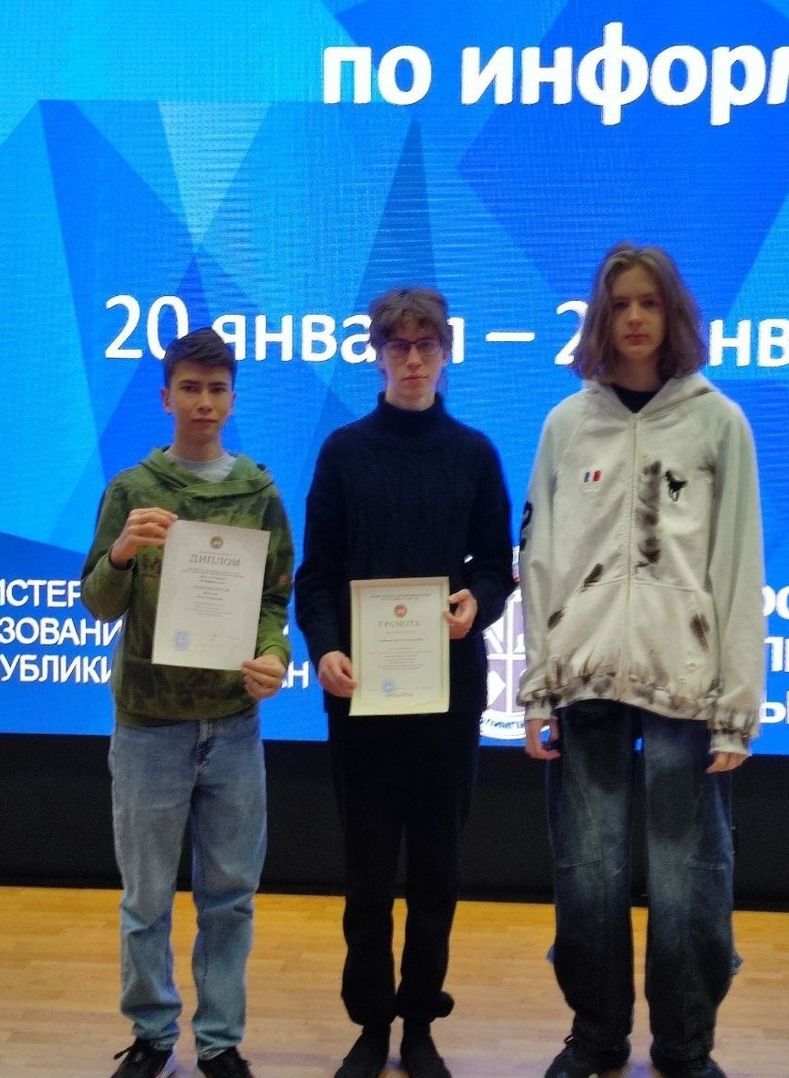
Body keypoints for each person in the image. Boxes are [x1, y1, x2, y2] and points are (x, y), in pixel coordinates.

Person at [519, 243, 765, 1078]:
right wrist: (536, 692)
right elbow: (538, 561)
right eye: (619, 303)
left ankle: (684, 1046)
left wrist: (736, 707)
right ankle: (595, 1039)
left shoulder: (717, 422)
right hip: (583, 685)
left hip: (684, 691)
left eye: (648, 303)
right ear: (599, 315)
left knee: (687, 882)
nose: (632, 317)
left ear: (672, 314)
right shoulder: (566, 424)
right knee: (586, 878)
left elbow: (738, 566)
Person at [294, 287, 514, 1078]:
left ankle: (419, 1020)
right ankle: (370, 1023)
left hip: (447, 694)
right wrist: (324, 649)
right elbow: (316, 576)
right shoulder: (344, 452)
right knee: (366, 874)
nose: (413, 360)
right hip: (360, 696)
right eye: (398, 346)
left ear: (446, 352)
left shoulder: (474, 453)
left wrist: (476, 603)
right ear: (376, 355)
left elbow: (496, 566)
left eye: (426, 346)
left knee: (436, 872)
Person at [80, 327, 294, 1078]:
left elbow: (273, 601)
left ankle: (219, 1041)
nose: (205, 402)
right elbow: (98, 603)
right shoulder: (131, 490)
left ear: (232, 399)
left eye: (218, 389)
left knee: (230, 897)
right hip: (148, 724)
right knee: (145, 898)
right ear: (166, 396)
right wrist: (121, 553)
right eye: (191, 388)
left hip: (233, 724)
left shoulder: (259, 494)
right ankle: (151, 1035)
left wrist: (274, 654)